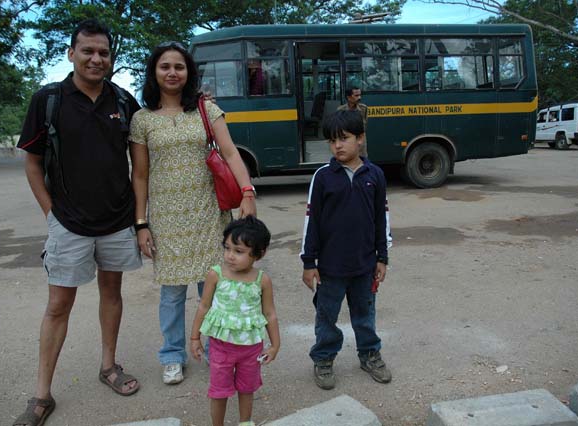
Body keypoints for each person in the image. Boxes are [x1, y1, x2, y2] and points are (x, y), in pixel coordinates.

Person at [13, 19, 142, 426]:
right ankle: (42, 394)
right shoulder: (48, 100)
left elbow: (144, 156)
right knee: (58, 305)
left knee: (112, 292)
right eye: (87, 51)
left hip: (117, 220)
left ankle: (108, 366)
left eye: (103, 52)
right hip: (67, 221)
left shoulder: (124, 101)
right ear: (71, 54)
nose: (96, 58)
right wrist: (50, 213)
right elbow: (33, 163)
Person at [129, 42, 257, 385]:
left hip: (207, 214)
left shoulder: (206, 109)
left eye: (179, 67)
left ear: (189, 73)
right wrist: (141, 224)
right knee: (171, 293)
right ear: (154, 72)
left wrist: (247, 190)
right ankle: (172, 354)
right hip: (166, 220)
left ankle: (217, 349)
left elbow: (230, 154)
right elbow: (139, 174)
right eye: (165, 66)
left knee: (212, 287)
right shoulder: (142, 120)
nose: (172, 72)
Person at [300, 109, 391, 390]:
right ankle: (324, 359)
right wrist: (308, 262)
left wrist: (382, 257)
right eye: (332, 140)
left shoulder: (374, 175)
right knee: (327, 315)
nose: (337, 145)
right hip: (330, 268)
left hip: (365, 265)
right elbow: (311, 221)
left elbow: (381, 219)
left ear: (360, 139)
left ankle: (369, 355)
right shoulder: (323, 177)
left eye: (344, 138)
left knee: (364, 315)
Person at [190, 216, 280, 426]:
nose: (230, 256)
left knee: (246, 388)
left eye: (238, 251)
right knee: (219, 391)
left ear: (259, 253)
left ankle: (245, 422)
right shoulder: (216, 274)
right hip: (220, 347)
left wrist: (275, 345)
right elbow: (203, 306)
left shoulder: (262, 280)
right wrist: (195, 337)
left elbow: (270, 314)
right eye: (227, 248)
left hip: (251, 348)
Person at [337, 87, 369, 156]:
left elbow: (364, 125)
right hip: (347, 141)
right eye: (356, 95)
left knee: (362, 160)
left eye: (360, 95)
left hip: (360, 141)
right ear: (349, 97)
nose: (359, 97)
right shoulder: (341, 110)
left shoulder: (363, 108)